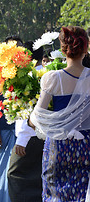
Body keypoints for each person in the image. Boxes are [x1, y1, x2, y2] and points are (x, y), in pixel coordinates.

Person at [30, 26, 90, 201]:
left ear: (63, 50)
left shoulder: (53, 78)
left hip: (58, 146)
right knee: (83, 193)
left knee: (54, 193)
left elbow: (37, 117)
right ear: (85, 49)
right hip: (86, 146)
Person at [7, 41, 44, 202]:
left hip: (28, 138)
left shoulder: (26, 77)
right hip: (47, 137)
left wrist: (21, 140)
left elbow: (25, 112)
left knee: (14, 176)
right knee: (39, 177)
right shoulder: (49, 73)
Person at [0, 36, 21, 202]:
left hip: (24, 131)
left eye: (18, 49)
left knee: (20, 172)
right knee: (3, 171)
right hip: (3, 130)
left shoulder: (27, 72)